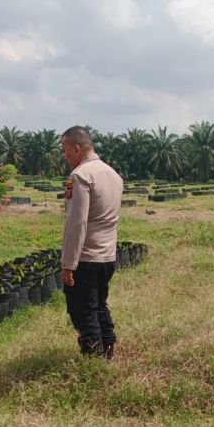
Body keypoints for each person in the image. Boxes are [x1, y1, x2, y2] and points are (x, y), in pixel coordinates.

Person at [60, 125, 124, 358]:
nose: (65, 156)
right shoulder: (113, 175)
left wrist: (68, 264)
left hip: (86, 257)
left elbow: (77, 223)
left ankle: (93, 356)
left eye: (65, 150)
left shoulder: (80, 176)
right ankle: (108, 350)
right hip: (107, 255)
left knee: (83, 310)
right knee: (99, 305)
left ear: (77, 149)